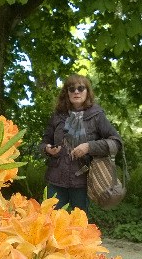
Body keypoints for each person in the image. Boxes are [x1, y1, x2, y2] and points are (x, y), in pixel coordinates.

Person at [38, 74, 122, 212]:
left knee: (79, 223)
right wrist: (47, 149)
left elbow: (116, 143)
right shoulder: (57, 116)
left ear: (87, 91)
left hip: (82, 181)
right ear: (67, 93)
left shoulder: (96, 115)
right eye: (72, 89)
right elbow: (43, 143)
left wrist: (89, 147)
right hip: (56, 179)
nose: (76, 92)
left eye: (81, 88)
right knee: (50, 219)